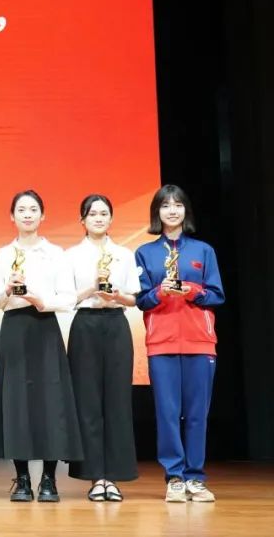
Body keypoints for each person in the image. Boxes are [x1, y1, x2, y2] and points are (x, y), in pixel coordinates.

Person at [0, 190, 82, 502]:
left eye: (33, 209)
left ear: (43, 216)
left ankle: (49, 480)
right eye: (21, 210)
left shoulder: (55, 253)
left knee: (50, 403)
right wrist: (6, 289)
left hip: (44, 327)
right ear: (11, 216)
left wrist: (42, 301)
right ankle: (22, 479)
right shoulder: (4, 254)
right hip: (14, 328)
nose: (27, 215)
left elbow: (68, 298)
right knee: (16, 402)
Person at [135, 184, 224, 503]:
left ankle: (195, 477)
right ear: (156, 213)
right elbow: (141, 300)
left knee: (198, 414)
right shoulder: (145, 253)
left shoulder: (203, 251)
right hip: (162, 343)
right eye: (165, 205)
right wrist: (160, 293)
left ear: (186, 211)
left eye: (178, 205)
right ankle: (174, 476)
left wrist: (192, 291)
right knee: (168, 413)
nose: (172, 210)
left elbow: (217, 295)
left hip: (200, 342)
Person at [64, 194, 140, 501]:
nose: (98, 218)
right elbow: (66, 298)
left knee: (118, 400)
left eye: (104, 213)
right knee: (88, 401)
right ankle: (96, 476)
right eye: (92, 213)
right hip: (85, 324)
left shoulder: (124, 254)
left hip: (116, 324)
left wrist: (117, 296)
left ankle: (113, 477)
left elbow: (134, 298)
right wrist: (92, 289)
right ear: (82, 220)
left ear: (111, 219)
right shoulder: (71, 255)